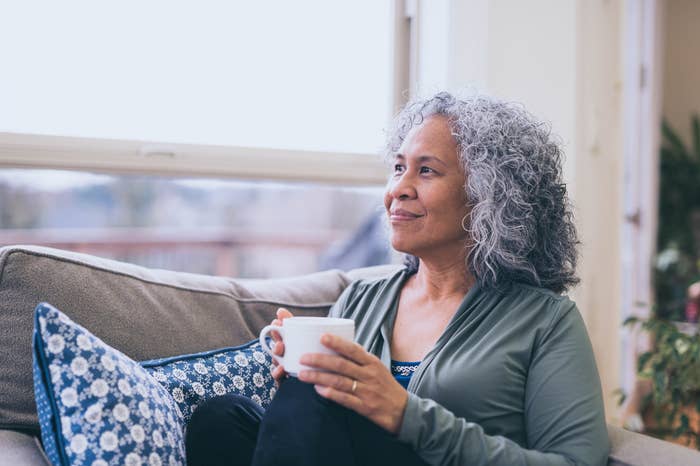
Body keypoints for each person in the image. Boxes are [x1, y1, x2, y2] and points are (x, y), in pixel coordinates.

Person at [185, 92, 610, 465]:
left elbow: (576, 461)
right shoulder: (361, 299)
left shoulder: (545, 322)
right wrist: (298, 379)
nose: (398, 189)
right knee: (222, 419)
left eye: (426, 171)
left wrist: (407, 415)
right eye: (398, 167)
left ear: (489, 196)